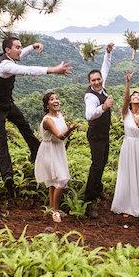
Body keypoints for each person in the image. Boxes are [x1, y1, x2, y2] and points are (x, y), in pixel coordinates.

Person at [0, 37, 71, 198]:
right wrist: (53, 70)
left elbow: (22, 54)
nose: (20, 49)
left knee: (24, 126)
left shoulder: (12, 56)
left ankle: (36, 153)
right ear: (7, 50)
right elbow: (28, 70)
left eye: (20, 47)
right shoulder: (5, 65)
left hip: (7, 103)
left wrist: (33, 46)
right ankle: (8, 176)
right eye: (17, 47)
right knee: (1, 139)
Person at [111, 71, 139, 219]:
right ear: (130, 100)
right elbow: (124, 100)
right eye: (133, 96)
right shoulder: (125, 113)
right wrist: (128, 83)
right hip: (127, 145)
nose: (135, 97)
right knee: (126, 174)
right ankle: (126, 206)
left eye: (138, 96)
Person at [34, 92, 79, 223]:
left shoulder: (59, 115)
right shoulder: (48, 120)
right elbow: (60, 136)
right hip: (49, 150)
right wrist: (70, 129)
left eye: (57, 98)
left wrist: (69, 129)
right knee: (61, 181)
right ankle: (55, 211)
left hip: (58, 149)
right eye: (52, 99)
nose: (56, 101)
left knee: (53, 182)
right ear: (47, 104)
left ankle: (53, 209)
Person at [83, 43, 115, 218]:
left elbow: (105, 68)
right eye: (93, 80)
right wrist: (104, 106)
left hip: (104, 134)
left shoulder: (102, 87)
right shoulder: (90, 96)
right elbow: (89, 115)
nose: (97, 81)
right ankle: (89, 201)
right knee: (96, 165)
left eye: (98, 79)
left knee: (102, 162)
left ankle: (98, 188)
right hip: (95, 135)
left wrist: (108, 53)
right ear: (89, 82)